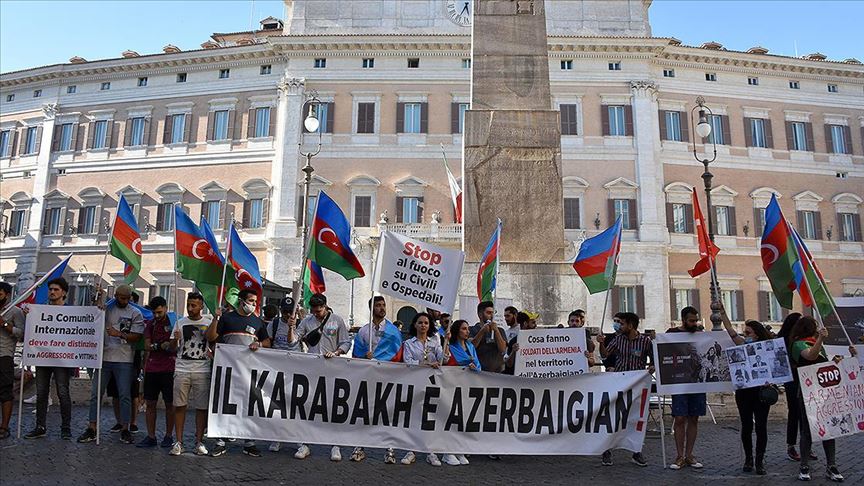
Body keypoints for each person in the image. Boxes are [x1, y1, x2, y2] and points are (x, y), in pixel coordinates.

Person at [206, 289, 270, 457]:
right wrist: (216, 318)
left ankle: (249, 442)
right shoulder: (227, 318)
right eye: (251, 301)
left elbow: (267, 341)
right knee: (223, 403)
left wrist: (260, 345)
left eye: (255, 302)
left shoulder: (257, 322)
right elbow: (212, 337)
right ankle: (220, 440)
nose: (253, 304)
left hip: (248, 371)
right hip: (226, 370)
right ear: (241, 301)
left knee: (248, 404)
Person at [78, 284, 144, 444]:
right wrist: (99, 296)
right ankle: (92, 427)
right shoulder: (108, 308)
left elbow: (137, 336)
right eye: (122, 298)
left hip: (124, 359)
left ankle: (125, 428)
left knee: (124, 395)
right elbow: (96, 313)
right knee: (95, 395)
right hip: (103, 358)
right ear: (115, 296)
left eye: (127, 298)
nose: (125, 301)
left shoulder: (135, 312)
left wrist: (119, 334)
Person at [789, 317, 852, 482]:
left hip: (825, 393)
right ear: (809, 328)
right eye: (815, 326)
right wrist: (820, 339)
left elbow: (823, 364)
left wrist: (838, 360)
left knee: (829, 429)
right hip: (807, 393)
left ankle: (831, 465)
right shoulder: (798, 344)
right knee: (807, 430)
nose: (818, 329)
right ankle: (804, 465)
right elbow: (810, 356)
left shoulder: (817, 344)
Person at [294, 293, 350, 461]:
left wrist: (336, 352)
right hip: (311, 368)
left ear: (326, 306)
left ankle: (335, 445)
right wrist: (291, 327)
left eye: (319, 311)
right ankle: (305, 443)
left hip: (332, 368)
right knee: (308, 405)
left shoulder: (337, 320)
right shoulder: (307, 321)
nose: (316, 314)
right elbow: (293, 340)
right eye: (314, 311)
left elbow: (346, 342)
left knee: (333, 406)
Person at [349, 296, 402, 464]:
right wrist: (365, 356)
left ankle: (390, 448)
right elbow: (356, 355)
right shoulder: (364, 331)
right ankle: (360, 446)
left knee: (388, 412)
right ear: (371, 309)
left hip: (388, 376)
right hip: (369, 377)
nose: (382, 308)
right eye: (378, 305)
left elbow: (398, 354)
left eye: (383, 305)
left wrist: (382, 360)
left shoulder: (393, 331)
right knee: (365, 410)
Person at [596, 312, 651, 467]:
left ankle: (636, 451)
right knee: (613, 416)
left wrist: (651, 368)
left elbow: (653, 359)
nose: (619, 326)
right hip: (619, 384)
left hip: (637, 386)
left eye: (622, 323)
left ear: (631, 325)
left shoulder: (645, 341)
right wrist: (601, 343)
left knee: (636, 418)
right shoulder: (618, 339)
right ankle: (606, 450)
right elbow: (605, 354)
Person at [21, 278, 73, 440]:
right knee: (42, 392)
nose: (52, 292)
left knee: (63, 392)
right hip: (43, 356)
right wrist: (27, 316)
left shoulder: (71, 312)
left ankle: (66, 428)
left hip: (62, 359)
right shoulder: (39, 311)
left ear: (63, 293)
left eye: (56, 289)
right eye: (50, 289)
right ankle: (40, 426)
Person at [169, 292, 216, 456]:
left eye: (193, 305)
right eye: (188, 305)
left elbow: (215, 342)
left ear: (201, 306)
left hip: (202, 369)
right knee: (179, 405)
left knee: (201, 408)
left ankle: (199, 441)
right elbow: (172, 348)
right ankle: (179, 442)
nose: (190, 308)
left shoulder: (209, 322)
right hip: (182, 368)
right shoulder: (179, 323)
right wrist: (175, 339)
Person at [727, 319, 773, 475]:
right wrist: (723, 313)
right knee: (746, 426)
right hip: (744, 392)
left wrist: (770, 380)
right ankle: (748, 458)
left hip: (760, 392)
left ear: (757, 335)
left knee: (761, 427)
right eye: (744, 333)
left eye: (748, 333)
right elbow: (731, 332)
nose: (745, 335)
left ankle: (760, 461)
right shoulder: (742, 346)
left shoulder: (768, 348)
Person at [399, 312, 444, 467]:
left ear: (430, 325)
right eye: (420, 322)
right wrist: (424, 364)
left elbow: (443, 358)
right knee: (414, 416)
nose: (423, 325)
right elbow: (408, 361)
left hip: (432, 383)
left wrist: (447, 343)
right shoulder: (409, 343)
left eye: (426, 323)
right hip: (415, 382)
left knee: (430, 416)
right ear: (415, 325)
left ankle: (430, 451)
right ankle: (411, 450)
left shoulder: (435, 342)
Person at [666, 306, 705, 470]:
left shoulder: (701, 336)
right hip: (679, 382)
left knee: (694, 417)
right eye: (691, 320)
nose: (694, 323)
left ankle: (689, 455)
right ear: (683, 320)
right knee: (680, 418)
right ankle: (679, 455)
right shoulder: (671, 334)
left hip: (696, 382)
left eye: (696, 320)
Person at [137, 296, 175, 448]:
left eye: (159, 312)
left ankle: (168, 435)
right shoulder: (151, 324)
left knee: (170, 404)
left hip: (169, 368)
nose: (157, 315)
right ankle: (151, 436)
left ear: (165, 308)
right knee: (150, 403)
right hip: (152, 368)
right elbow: (147, 345)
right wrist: (159, 346)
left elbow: (173, 345)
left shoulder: (173, 323)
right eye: (154, 313)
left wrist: (163, 345)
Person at [266, 296, 301, 453]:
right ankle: (277, 437)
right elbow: (268, 343)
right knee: (278, 405)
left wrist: (293, 326)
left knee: (296, 404)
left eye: (290, 312)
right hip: (277, 370)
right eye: (285, 312)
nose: (288, 315)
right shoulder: (273, 324)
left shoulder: (300, 324)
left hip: (295, 371)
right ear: (281, 311)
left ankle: (298, 438)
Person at [443, 319, 478, 466]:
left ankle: (458, 448)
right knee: (451, 417)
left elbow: (478, 363)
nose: (467, 331)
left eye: (468, 328)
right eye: (464, 329)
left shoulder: (470, 346)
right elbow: (448, 363)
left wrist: (474, 367)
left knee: (463, 418)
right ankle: (447, 450)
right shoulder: (450, 347)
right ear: (458, 331)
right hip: (453, 385)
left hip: (468, 385)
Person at [777, 312, 810, 462]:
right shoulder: (783, 340)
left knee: (806, 414)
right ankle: (791, 445)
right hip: (791, 380)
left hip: (804, 378)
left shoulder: (801, 340)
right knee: (794, 413)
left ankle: (806, 446)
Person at [0, 281, 25, 440]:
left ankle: (4, 426)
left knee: (4, 391)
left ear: (7, 295)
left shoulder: (15, 312)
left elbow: (22, 334)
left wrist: (5, 325)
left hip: (4, 355)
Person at [469, 301, 507, 373]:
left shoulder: (500, 330)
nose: (492, 316)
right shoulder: (472, 329)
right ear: (480, 314)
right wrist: (482, 332)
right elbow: (471, 347)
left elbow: (503, 349)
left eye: (493, 313)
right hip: (478, 371)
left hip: (497, 372)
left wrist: (496, 331)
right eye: (489, 313)